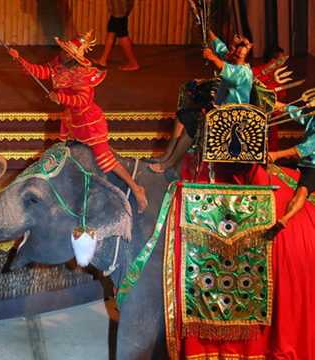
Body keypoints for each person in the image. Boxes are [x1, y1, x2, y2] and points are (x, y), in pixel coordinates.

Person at [8, 31, 148, 213]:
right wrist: (19, 60)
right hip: (72, 121)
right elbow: (40, 71)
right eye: (63, 50)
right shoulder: (59, 65)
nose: (62, 53)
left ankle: (136, 188)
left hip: (89, 121)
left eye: (66, 52)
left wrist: (60, 97)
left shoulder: (82, 75)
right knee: (72, 155)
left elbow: (83, 101)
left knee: (104, 160)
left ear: (73, 56)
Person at [150, 31, 253, 173]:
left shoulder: (242, 72)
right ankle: (167, 155)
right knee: (182, 115)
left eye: (230, 51)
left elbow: (223, 67)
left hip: (231, 119)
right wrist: (205, 28)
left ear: (238, 55)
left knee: (193, 127)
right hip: (218, 112)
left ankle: (170, 163)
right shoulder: (232, 59)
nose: (226, 53)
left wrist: (211, 57)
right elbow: (218, 45)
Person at [269, 104, 315, 229]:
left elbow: (303, 149)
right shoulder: (312, 117)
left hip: (313, 166)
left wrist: (277, 154)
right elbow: (293, 111)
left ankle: (285, 219)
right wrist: (271, 101)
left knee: (302, 191)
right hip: (303, 162)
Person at [93, 0, 139, 71]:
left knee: (122, 34)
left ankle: (133, 63)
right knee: (112, 29)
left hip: (119, 8)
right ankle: (103, 60)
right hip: (118, 8)